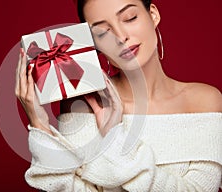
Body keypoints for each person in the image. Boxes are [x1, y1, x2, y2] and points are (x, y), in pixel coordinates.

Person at [15, 0, 222, 191]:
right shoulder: (85, 104)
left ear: (153, 15)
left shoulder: (205, 101)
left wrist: (114, 138)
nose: (121, 36)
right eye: (103, 32)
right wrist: (40, 124)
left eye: (130, 18)